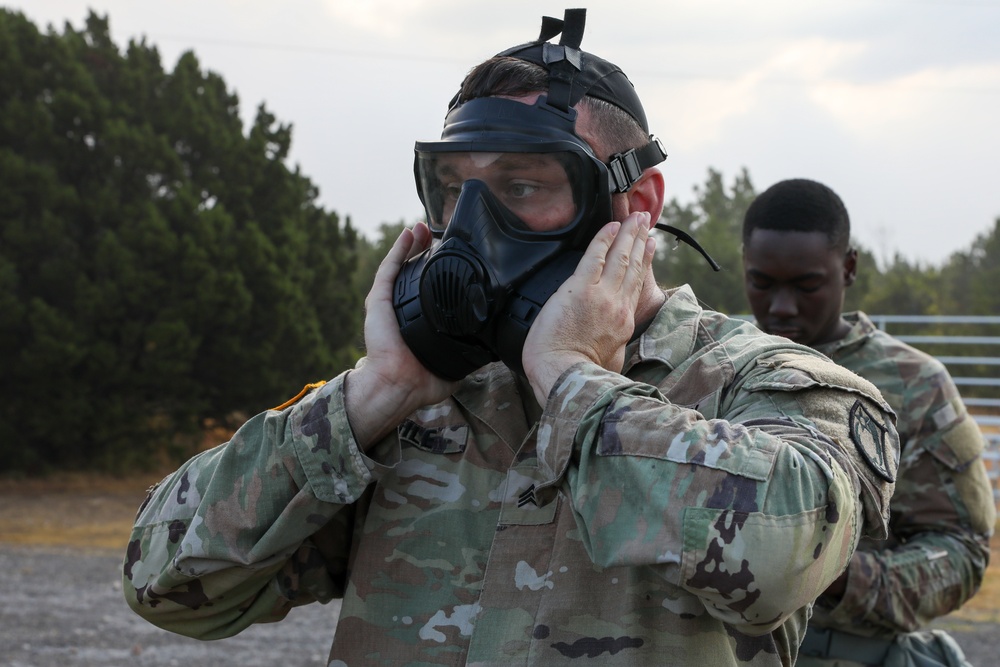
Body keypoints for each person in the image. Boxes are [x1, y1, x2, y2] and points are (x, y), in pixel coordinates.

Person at [123, 11, 900, 666]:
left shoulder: (766, 382)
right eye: (456, 191)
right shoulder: (416, 407)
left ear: (635, 204)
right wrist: (372, 394)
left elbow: (781, 554)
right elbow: (164, 583)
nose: (471, 227)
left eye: (523, 186)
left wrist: (572, 382)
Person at [741, 178, 995, 667]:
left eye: (807, 284)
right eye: (763, 283)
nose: (782, 306)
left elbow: (960, 554)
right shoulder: (716, 365)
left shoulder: (916, 386)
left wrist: (827, 572)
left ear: (849, 267)